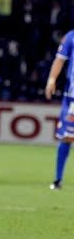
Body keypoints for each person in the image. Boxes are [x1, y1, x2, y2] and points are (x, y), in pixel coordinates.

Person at [45, 30, 74, 190]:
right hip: (72, 97)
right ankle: (58, 179)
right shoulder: (71, 36)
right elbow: (60, 59)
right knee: (67, 137)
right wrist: (51, 79)